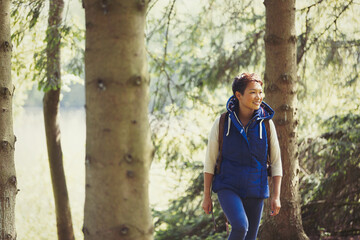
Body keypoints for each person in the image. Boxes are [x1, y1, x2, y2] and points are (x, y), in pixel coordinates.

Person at [202, 73, 283, 240]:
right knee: (240, 226)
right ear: (238, 95)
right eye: (253, 92)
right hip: (228, 185)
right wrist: (206, 195)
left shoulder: (267, 125)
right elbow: (210, 161)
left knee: (250, 237)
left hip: (256, 188)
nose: (259, 97)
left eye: (260, 92)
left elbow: (276, 162)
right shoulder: (223, 122)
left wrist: (276, 196)